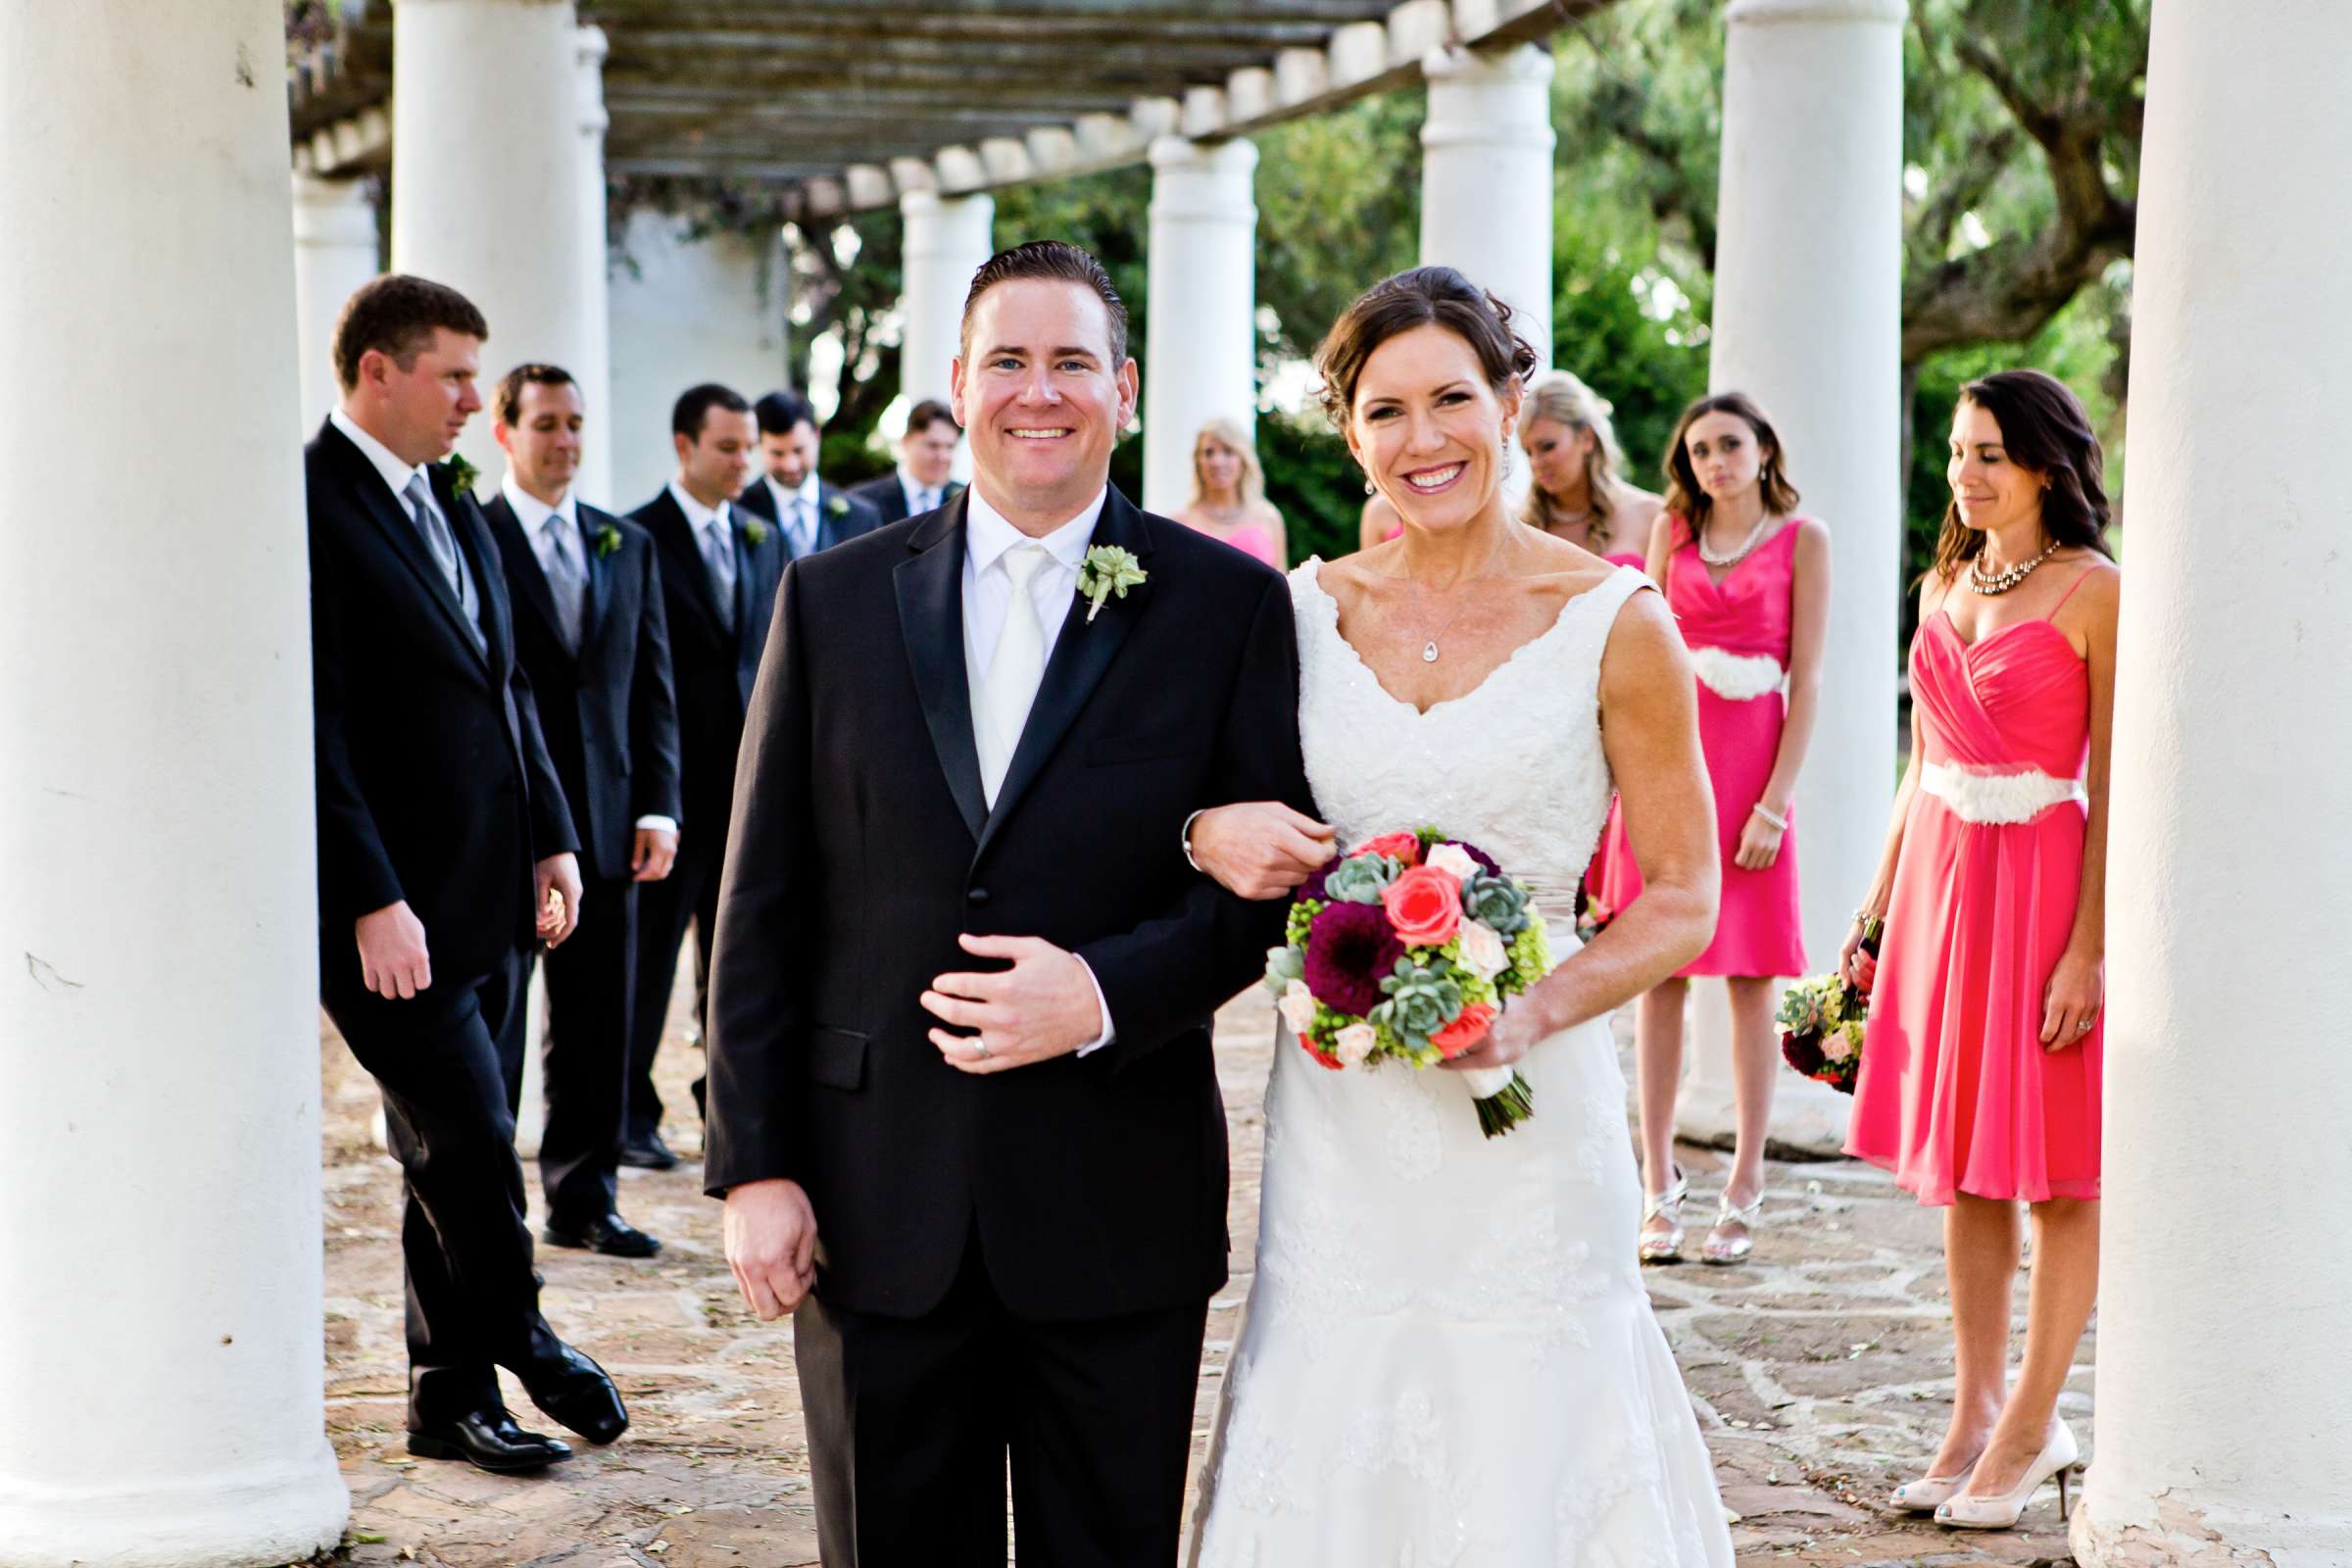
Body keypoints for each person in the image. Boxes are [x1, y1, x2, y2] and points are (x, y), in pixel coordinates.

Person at [705, 240, 1314, 1566]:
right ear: (960, 384)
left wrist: (1103, 993)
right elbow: (763, 898)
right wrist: (753, 1163)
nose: (1041, 393)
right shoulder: (830, 599)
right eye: (1010, 362)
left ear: (1127, 388)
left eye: (1073, 362)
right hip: (875, 1201)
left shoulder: (1230, 607)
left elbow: (1269, 896)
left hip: (1116, 1194)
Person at [1181, 266, 1733, 1564]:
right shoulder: (1298, 613)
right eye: (1384, 412)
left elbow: (1686, 894)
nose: (1421, 440)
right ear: (1348, 429)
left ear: (1510, 401)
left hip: (1532, 1121)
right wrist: (1210, 833)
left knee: (1533, 1426)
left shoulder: (1615, 622)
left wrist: (1530, 1008)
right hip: (1342, 1129)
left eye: (1450, 400)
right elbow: (1196, 809)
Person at [308, 274, 627, 1473]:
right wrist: (368, 897)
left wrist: (553, 836)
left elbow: (510, 686)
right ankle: (524, 1334)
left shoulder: (454, 504)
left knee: (442, 1153)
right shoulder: (309, 501)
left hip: (493, 888)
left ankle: (448, 1397)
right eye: (449, 375)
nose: (467, 400)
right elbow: (318, 726)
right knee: (477, 1133)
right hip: (390, 908)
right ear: (376, 371)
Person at [1843, 369, 2116, 1531]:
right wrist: (1878, 901)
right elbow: (1920, 762)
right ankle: (1973, 1411)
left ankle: (2029, 1427)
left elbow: (2120, 787)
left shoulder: (2096, 591)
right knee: (1966, 1165)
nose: (1966, 472)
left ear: (2048, 466)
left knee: (2054, 1173)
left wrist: (2087, 951)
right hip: (1946, 889)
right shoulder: (1944, 580)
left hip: (2044, 887)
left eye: (1990, 452)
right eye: (1959, 450)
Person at [1617, 392, 1829, 1267]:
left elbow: (1807, 681)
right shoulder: (1672, 529)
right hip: (1672, 765)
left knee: (1749, 984)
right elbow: (1643, 658)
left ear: (1762, 449)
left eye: (1730, 444)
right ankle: (1657, 1184)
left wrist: (1775, 805)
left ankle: (1745, 1182)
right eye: (1700, 449)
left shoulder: (1802, 540)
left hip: (1751, 776)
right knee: (1657, 975)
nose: (1715, 461)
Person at [483, 362, 681, 1257]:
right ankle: (486, 1200)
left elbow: (653, 688)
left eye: (575, 425)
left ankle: (583, 1198)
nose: (565, 441)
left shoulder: (625, 545)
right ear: (506, 432)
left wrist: (660, 808)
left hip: (606, 825)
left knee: (600, 1018)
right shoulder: (469, 535)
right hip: (503, 824)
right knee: (498, 1025)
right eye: (547, 425)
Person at [623, 384, 772, 1170]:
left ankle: (725, 1109)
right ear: (684, 447)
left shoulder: (762, 536)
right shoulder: (636, 536)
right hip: (668, 794)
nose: (742, 460)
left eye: (748, 446)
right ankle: (629, 1113)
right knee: (646, 964)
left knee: (735, 962)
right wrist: (653, 795)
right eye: (727, 447)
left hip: (748, 794)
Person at [1518, 370, 1662, 926]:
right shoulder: (1520, 527)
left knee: (1625, 911)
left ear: (1586, 437)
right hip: (1545, 722)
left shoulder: (1650, 516)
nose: (1538, 463)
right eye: (1529, 452)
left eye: (1548, 446)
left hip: (1629, 714)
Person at [736, 385, 884, 559]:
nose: (790, 465)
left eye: (799, 450)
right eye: (777, 453)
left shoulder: (862, 516)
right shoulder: (737, 511)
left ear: (817, 436)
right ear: (758, 444)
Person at [1172, 416, 1287, 567]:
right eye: (1208, 452)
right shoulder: (1179, 523)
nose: (1217, 462)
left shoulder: (1269, 517)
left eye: (1228, 451)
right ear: (1198, 461)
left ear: (1243, 459)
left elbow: (1282, 585)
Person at [848, 396, 965, 523]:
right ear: (906, 442)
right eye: (933, 445)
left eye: (950, 447)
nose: (943, 456)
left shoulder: (966, 500)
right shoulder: (863, 500)